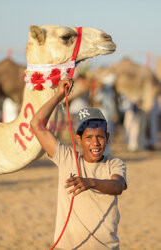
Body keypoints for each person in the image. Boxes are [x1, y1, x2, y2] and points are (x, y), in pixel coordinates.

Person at [31, 78, 127, 250]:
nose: (95, 143)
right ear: (79, 139)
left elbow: (118, 186)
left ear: (107, 138)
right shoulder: (66, 157)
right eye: (89, 138)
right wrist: (59, 95)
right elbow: (37, 124)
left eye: (100, 137)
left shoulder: (114, 164)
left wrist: (90, 182)